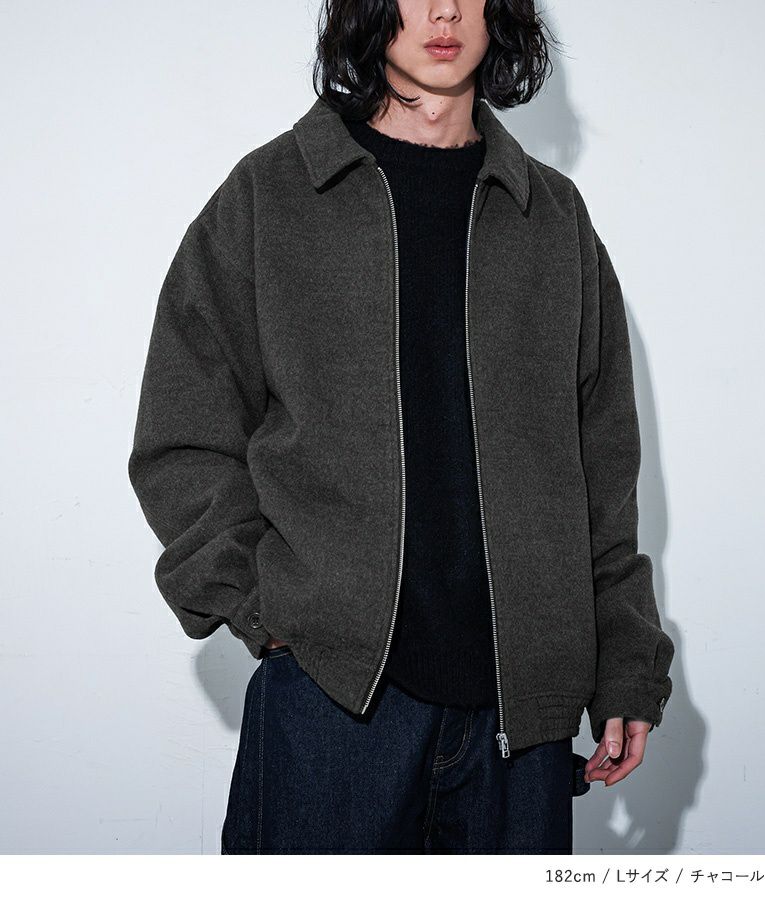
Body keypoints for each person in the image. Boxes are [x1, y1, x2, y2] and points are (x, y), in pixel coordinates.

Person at [128, 0, 675, 854]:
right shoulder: (272, 197)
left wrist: (626, 663)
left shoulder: (552, 218)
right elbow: (182, 434)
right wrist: (270, 612)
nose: (445, 11)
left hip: (520, 720)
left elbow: (603, 469)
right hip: (334, 705)